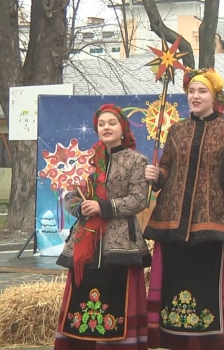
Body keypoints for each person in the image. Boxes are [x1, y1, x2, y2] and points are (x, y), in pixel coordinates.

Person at [143, 67, 224, 350]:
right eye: (191, 91)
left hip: (211, 223)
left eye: (202, 91)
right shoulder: (177, 130)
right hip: (172, 222)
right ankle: (176, 341)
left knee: (205, 287)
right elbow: (167, 168)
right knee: (175, 285)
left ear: (214, 97)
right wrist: (157, 176)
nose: (195, 96)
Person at [55, 104, 150, 350]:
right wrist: (80, 207)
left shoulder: (136, 161)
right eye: (101, 124)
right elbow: (70, 196)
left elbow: (139, 199)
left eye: (112, 123)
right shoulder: (85, 161)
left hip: (120, 244)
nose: (106, 127)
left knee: (116, 300)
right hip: (85, 245)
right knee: (83, 301)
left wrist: (102, 207)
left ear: (123, 129)